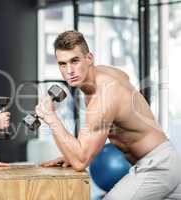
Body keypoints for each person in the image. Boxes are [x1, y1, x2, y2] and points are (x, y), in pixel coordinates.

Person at [36, 30, 181, 199]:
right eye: (62, 64)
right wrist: (70, 153)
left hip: (156, 166)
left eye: (74, 61)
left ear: (89, 58)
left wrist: (52, 119)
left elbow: (80, 162)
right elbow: (106, 130)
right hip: (166, 159)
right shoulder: (103, 75)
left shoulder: (103, 97)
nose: (69, 70)